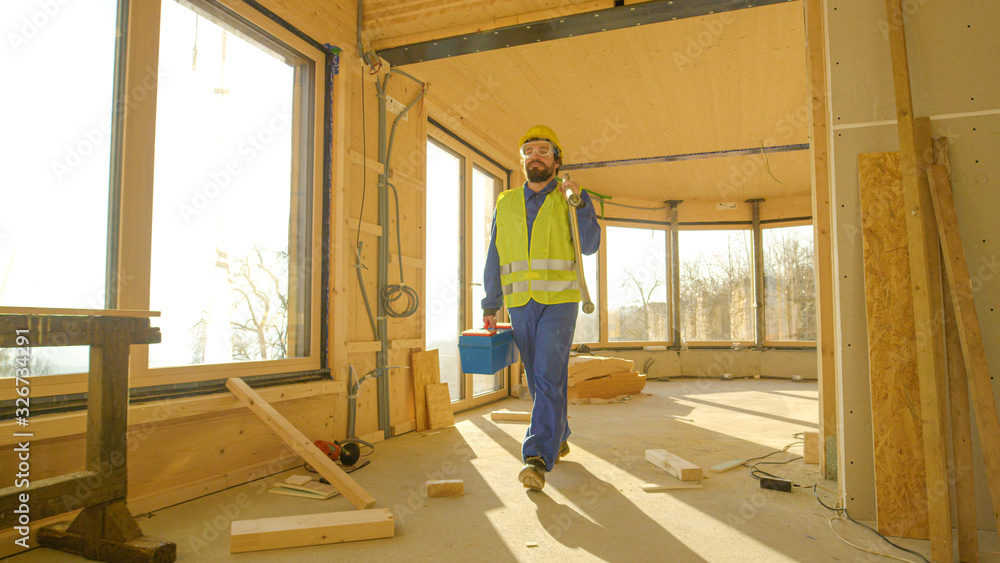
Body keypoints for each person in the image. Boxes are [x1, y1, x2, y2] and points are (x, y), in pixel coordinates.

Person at [482, 125, 601, 490]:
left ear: (556, 160)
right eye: (529, 150)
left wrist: (578, 204)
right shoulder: (506, 202)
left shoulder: (570, 199)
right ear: (523, 162)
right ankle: (558, 433)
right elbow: (495, 254)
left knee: (548, 371)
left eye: (543, 150)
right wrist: (491, 302)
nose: (535, 155)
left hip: (560, 301)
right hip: (520, 303)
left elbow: (591, 245)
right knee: (537, 378)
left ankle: (536, 456)